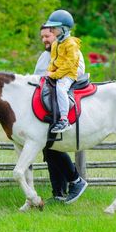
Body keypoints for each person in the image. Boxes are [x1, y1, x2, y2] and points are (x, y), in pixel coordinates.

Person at [37, 10, 88, 204]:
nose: (46, 38)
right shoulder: (50, 52)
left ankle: (74, 181)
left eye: (49, 34)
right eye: (43, 36)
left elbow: (72, 70)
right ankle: (58, 192)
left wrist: (54, 75)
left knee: (52, 148)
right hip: (46, 107)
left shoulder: (70, 47)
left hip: (59, 97)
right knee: (50, 150)